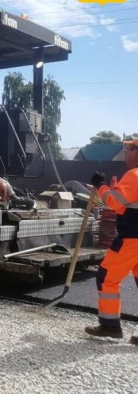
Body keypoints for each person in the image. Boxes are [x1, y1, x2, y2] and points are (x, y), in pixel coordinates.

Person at [85, 137, 138, 344]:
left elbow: (114, 203)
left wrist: (101, 186)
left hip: (132, 238)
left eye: (130, 149)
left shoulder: (134, 176)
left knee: (106, 277)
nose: (126, 152)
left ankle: (109, 326)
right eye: (125, 148)